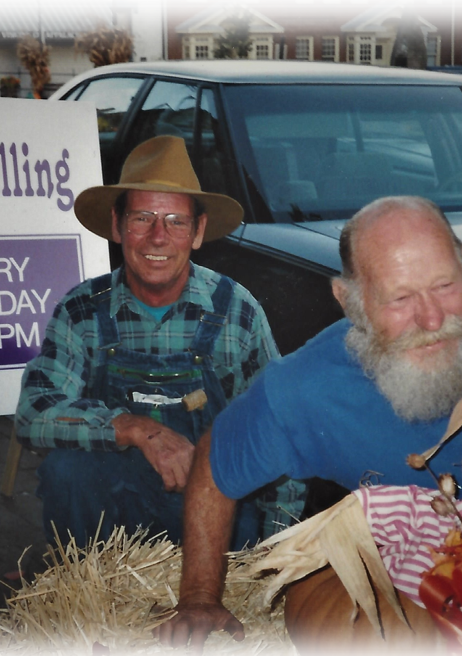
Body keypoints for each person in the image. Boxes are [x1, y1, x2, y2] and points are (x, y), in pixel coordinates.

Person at [155, 195, 462, 656]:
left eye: (446, 285)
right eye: (400, 298)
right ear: (349, 301)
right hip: (422, 595)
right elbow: (215, 462)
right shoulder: (308, 387)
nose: (432, 319)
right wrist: (199, 597)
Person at [16, 136, 302, 551]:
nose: (157, 237)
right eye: (142, 218)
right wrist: (135, 428)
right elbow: (33, 413)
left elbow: (279, 432)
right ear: (117, 225)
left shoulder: (236, 312)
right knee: (67, 470)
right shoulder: (82, 310)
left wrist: (279, 550)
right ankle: (79, 579)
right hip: (112, 524)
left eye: (175, 221)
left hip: (211, 515)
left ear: (198, 231)